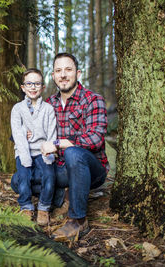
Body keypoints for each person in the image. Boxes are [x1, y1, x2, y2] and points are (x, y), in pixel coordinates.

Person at [41, 52, 109, 241]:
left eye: (68, 70)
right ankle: (63, 196)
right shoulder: (49, 104)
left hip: (91, 168)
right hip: (61, 169)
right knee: (20, 180)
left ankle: (78, 220)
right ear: (53, 76)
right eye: (58, 70)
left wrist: (59, 143)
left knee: (73, 153)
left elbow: (95, 139)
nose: (63, 75)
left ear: (78, 73)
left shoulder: (93, 100)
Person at [10, 68, 57, 226]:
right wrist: (25, 158)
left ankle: (44, 207)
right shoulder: (17, 109)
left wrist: (49, 155)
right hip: (23, 150)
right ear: (23, 87)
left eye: (37, 83)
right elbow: (17, 134)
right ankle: (26, 206)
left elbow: (52, 134)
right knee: (23, 178)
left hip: (43, 150)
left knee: (49, 177)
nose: (33, 87)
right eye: (29, 83)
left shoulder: (48, 109)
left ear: (42, 87)